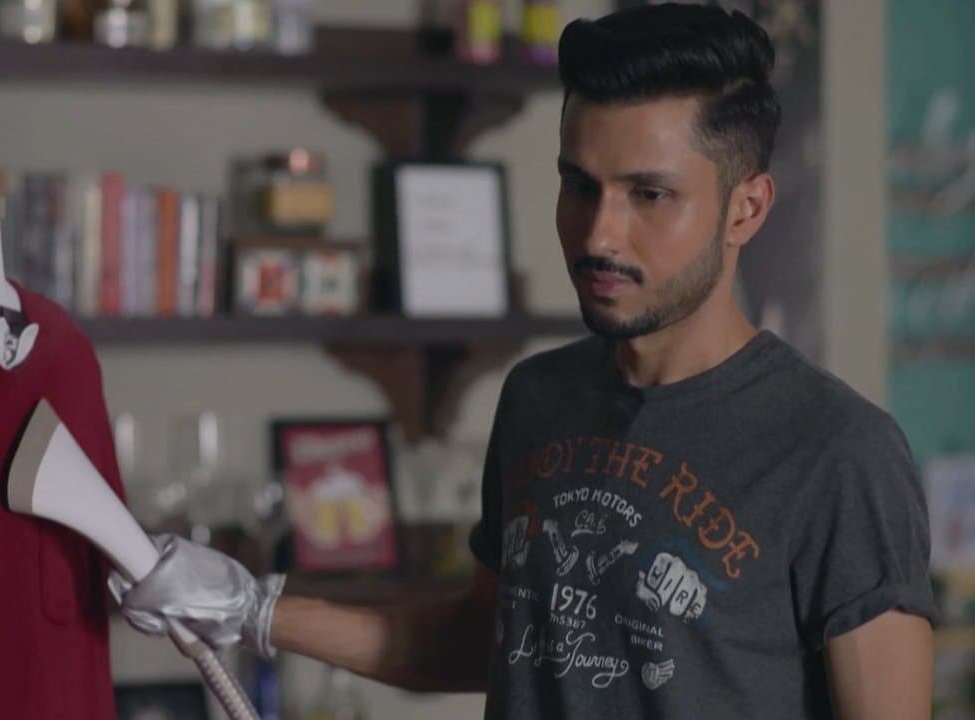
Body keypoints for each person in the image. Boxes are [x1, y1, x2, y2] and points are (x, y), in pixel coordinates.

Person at [117, 3, 938, 718]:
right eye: (579, 185)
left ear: (746, 209)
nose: (599, 234)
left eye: (649, 195)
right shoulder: (538, 398)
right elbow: (486, 639)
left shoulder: (839, 452)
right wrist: (252, 610)